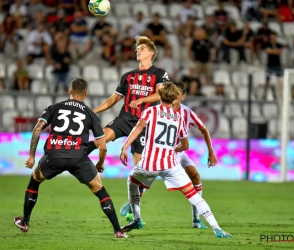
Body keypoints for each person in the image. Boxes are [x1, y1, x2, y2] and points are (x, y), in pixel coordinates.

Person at [13, 78, 127, 238]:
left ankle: (24, 222)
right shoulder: (90, 113)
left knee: (34, 181)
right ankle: (118, 230)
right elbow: (103, 146)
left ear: (69, 91)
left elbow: (37, 130)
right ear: (86, 93)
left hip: (53, 155)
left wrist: (32, 155)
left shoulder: (54, 108)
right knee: (100, 190)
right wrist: (99, 163)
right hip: (78, 157)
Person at [119, 82, 232, 238]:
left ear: (160, 96)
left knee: (132, 181)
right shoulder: (178, 117)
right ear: (173, 98)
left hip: (149, 164)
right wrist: (170, 149)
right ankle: (217, 228)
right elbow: (185, 144)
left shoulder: (151, 111)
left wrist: (125, 147)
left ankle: (137, 219)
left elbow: (138, 129)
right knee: (194, 196)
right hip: (171, 164)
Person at [87, 36, 169, 167]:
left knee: (139, 168)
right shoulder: (128, 76)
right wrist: (93, 111)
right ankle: (76, 155)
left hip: (144, 124)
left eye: (142, 48)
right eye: (137, 49)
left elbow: (160, 94)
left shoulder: (159, 73)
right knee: (100, 140)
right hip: (124, 118)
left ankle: (139, 185)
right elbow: (113, 99)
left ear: (151, 53)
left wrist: (141, 100)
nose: (138, 51)